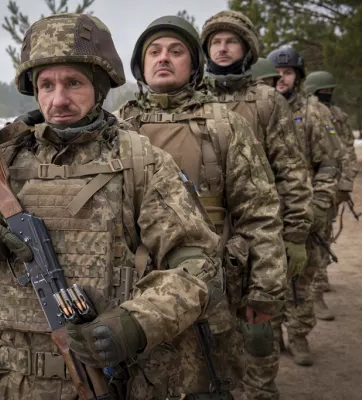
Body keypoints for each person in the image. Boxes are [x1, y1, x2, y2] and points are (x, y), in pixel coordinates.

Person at [0, 13, 232, 400]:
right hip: (6, 382)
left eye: (74, 83)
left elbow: (198, 267)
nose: (59, 100)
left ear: (99, 88)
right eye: (46, 84)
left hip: (107, 377)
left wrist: (135, 324)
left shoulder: (141, 161)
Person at [116, 15, 288, 400]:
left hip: (214, 293)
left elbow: (258, 210)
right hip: (136, 293)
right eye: (154, 52)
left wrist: (264, 289)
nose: (164, 58)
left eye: (176, 52)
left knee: (212, 385)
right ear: (140, 64)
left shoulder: (225, 126)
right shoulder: (119, 127)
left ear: (193, 64)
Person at [198, 10, 312, 398]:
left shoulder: (266, 101)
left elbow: (292, 171)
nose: (223, 48)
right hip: (209, 239)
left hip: (258, 234)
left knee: (259, 330)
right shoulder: (193, 98)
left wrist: (295, 234)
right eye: (216, 41)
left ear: (246, 48)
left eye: (231, 41)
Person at [268, 46, 340, 366]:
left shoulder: (313, 112)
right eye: (277, 73)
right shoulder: (260, 109)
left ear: (298, 76)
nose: (281, 79)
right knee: (267, 280)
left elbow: (328, 164)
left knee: (301, 279)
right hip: (266, 214)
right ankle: (271, 338)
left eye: (287, 73)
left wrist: (321, 206)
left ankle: (298, 335)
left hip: (304, 211)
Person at [304, 71, 359, 319]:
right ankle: (312, 292)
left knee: (323, 236)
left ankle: (317, 287)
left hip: (330, 188)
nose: (326, 96)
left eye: (329, 92)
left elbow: (347, 150)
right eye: (321, 92)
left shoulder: (337, 116)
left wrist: (345, 184)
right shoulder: (303, 114)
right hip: (306, 190)